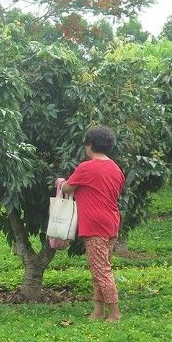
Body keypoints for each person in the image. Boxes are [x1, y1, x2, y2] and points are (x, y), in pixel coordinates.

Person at [60, 125, 125, 322]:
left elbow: (68, 188)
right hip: (111, 222)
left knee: (101, 270)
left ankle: (114, 314)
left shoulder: (86, 168)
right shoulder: (115, 168)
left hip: (94, 225)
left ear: (89, 146)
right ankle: (98, 311)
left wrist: (60, 183)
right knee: (100, 267)